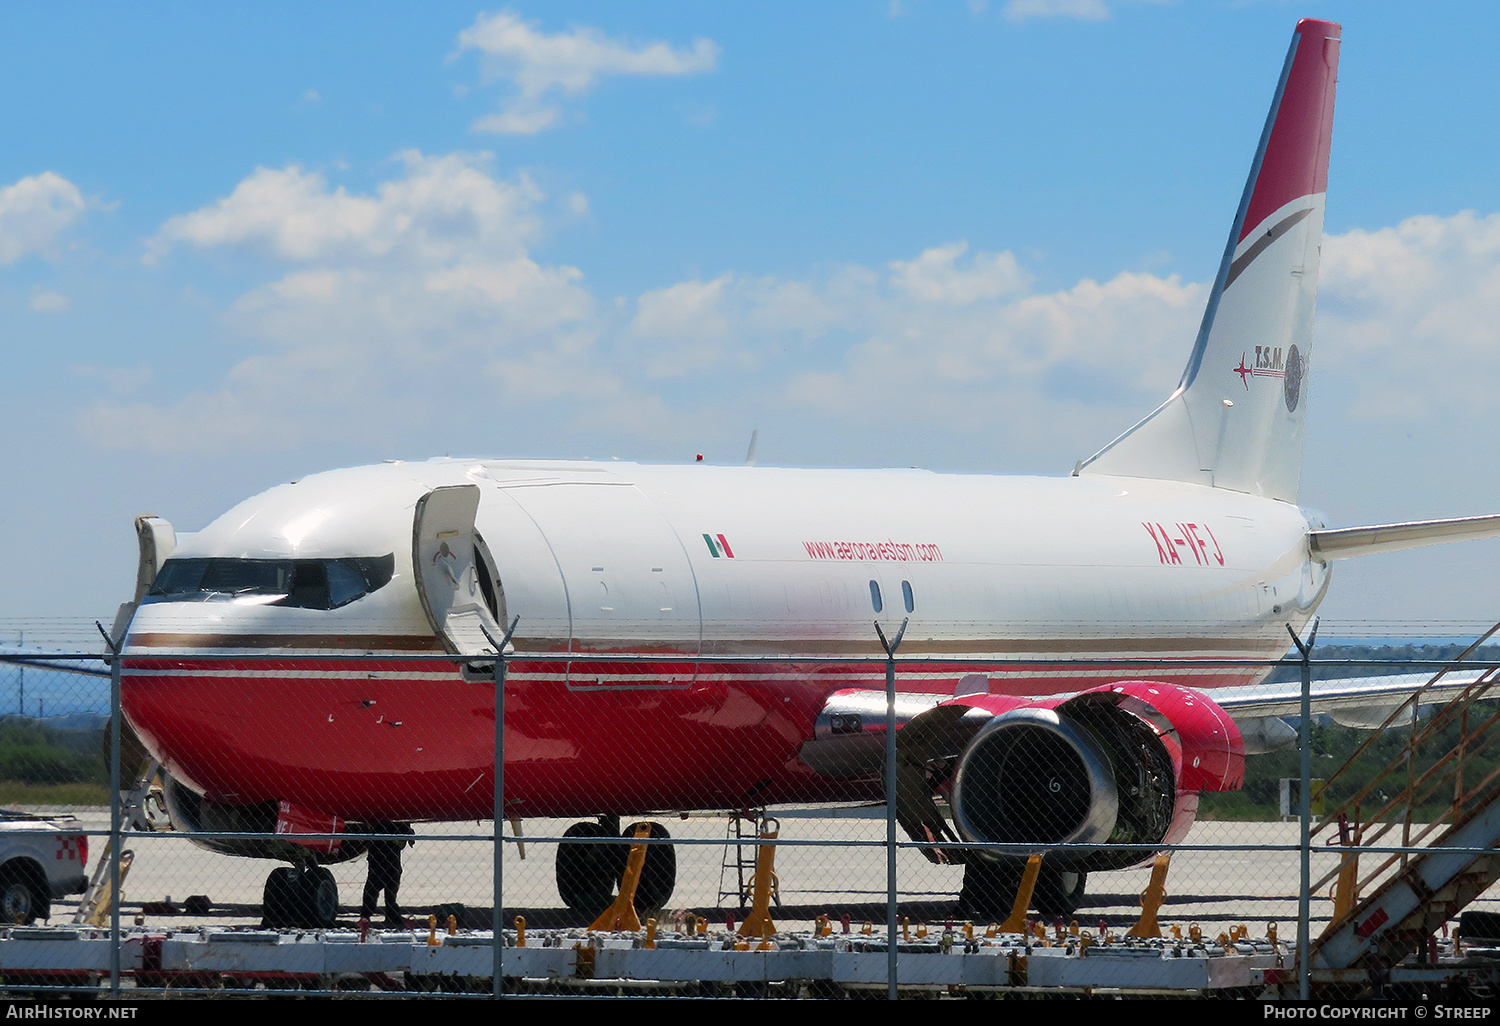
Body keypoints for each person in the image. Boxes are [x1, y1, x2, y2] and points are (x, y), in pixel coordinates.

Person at [360, 822, 416, 926]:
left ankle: (390, 913)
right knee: (375, 881)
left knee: (391, 880)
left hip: (390, 845)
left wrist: (407, 832)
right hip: (380, 842)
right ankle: (367, 914)